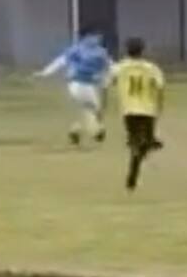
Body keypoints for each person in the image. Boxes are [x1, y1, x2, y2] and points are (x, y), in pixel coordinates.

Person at [37, 28, 112, 146]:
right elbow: (61, 61)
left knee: (87, 109)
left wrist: (45, 72)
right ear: (86, 36)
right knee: (94, 109)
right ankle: (97, 131)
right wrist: (45, 72)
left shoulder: (96, 51)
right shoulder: (82, 50)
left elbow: (109, 67)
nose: (97, 39)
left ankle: (76, 131)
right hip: (80, 84)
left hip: (81, 85)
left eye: (98, 37)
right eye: (95, 36)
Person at [110, 38, 165, 191]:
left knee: (139, 142)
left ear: (126, 50)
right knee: (146, 144)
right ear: (143, 50)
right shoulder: (151, 68)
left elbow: (109, 81)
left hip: (128, 110)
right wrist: (160, 105)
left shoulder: (120, 67)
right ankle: (137, 159)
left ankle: (136, 155)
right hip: (148, 110)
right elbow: (160, 87)